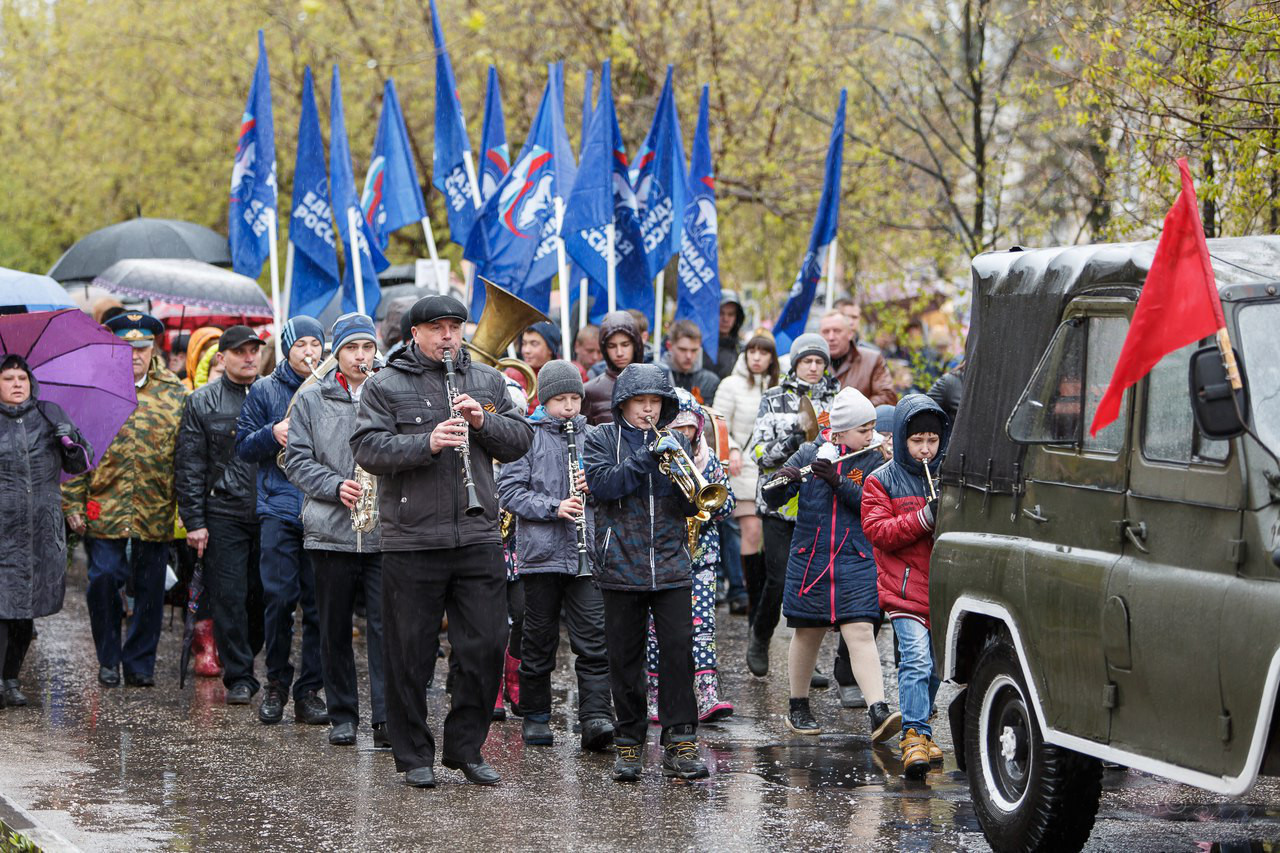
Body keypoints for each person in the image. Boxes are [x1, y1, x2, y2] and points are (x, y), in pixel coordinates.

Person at [351, 294, 533, 789]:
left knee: (487, 645)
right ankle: (413, 756)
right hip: (412, 539)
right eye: (437, 328)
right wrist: (425, 443)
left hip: (476, 534)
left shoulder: (487, 381)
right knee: (409, 654)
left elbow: (521, 441)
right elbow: (368, 448)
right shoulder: (385, 385)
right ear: (415, 333)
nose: (448, 335)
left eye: (454, 326)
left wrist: (483, 421)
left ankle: (465, 748)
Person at [582, 364, 709, 783]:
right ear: (623, 404)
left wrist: (687, 479)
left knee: (678, 651)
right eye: (641, 402)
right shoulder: (602, 438)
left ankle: (680, 738)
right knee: (625, 658)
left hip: (671, 563)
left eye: (656, 402)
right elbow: (604, 486)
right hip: (620, 562)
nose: (648, 410)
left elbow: (694, 506)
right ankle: (630, 741)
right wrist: (646, 457)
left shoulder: (678, 442)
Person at [764, 388, 901, 743]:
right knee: (807, 632)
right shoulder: (811, 452)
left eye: (872, 428)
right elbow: (772, 495)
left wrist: (838, 482)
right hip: (811, 560)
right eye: (863, 430)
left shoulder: (874, 461)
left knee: (860, 632)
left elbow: (871, 508)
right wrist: (785, 481)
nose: (870, 436)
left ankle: (878, 710)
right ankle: (798, 705)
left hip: (855, 560)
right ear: (839, 432)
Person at [495, 360, 613, 751]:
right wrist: (553, 506)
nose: (568, 407)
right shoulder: (525, 436)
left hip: (586, 557)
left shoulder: (595, 437)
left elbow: (612, 490)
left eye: (574, 399)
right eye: (560, 400)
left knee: (594, 638)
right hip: (541, 554)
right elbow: (509, 490)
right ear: (544, 400)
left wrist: (594, 486)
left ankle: (596, 716)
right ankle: (536, 715)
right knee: (538, 637)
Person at [283, 313, 389, 748]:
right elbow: (295, 459)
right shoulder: (310, 398)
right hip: (330, 530)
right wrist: (333, 485)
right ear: (336, 354)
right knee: (333, 627)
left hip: (384, 532)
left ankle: (385, 717)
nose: (360, 356)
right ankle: (343, 715)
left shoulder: (389, 393)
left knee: (387, 629)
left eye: (367, 348)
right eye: (351, 349)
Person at [64, 312, 185, 688]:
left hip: (155, 506)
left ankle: (139, 663)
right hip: (105, 504)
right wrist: (72, 504)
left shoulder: (175, 392)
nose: (135, 355)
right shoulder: (93, 390)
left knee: (151, 588)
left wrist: (189, 511)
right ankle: (108, 657)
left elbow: (188, 454)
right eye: (126, 348)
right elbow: (74, 454)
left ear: (154, 350)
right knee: (103, 579)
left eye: (143, 348)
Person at [235, 317, 328, 727]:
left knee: (320, 607)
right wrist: (273, 432)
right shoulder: (264, 390)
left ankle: (310, 691)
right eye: (301, 344)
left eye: (316, 344)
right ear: (287, 348)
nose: (310, 351)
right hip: (278, 508)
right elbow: (243, 447)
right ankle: (275, 683)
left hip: (323, 510)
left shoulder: (332, 386)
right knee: (277, 602)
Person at [175, 326, 265, 703]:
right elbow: (189, 465)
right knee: (229, 596)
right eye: (240, 351)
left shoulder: (274, 395)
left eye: (253, 351)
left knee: (262, 597)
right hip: (223, 511)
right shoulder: (202, 402)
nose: (248, 358)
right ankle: (240, 676)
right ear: (222, 357)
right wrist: (194, 521)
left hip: (269, 511)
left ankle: (249, 654)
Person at [862, 394, 950, 778]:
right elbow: (878, 532)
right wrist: (924, 518)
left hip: (942, 590)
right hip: (903, 589)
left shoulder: (949, 477)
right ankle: (913, 734)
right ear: (901, 439)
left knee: (933, 670)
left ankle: (924, 730)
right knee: (914, 659)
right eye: (917, 441)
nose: (926, 449)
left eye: (932, 440)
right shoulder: (880, 480)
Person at [746, 333, 839, 678]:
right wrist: (797, 436)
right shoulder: (772, 399)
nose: (813, 368)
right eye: (807, 361)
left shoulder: (836, 397)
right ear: (796, 363)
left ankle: (807, 658)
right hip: (778, 506)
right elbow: (760, 454)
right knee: (779, 577)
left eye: (819, 362)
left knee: (812, 582)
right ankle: (760, 634)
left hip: (817, 506)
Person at [0, 355, 91, 708]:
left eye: (22, 377)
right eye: (8, 379)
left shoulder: (50, 414)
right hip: (4, 528)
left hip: (39, 528)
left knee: (26, 608)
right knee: (3, 606)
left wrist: (71, 438)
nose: (17, 384)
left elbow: (81, 463)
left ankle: (11, 679)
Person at [646, 388, 735, 723]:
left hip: (703, 558)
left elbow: (727, 504)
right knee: (656, 630)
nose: (684, 435)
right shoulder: (659, 458)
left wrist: (709, 505)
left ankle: (707, 692)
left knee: (703, 626)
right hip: (666, 555)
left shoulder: (708, 460)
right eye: (677, 429)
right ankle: (654, 695)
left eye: (689, 429)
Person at [711, 329, 779, 615]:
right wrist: (734, 449)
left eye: (763, 352)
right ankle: (753, 598)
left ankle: (766, 595)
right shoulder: (731, 384)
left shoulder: (779, 387)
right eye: (752, 351)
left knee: (768, 535)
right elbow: (717, 423)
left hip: (774, 469)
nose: (757, 357)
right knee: (750, 531)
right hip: (743, 468)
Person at [819, 310, 896, 406]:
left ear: (850, 334)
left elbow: (888, 397)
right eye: (826, 332)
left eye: (837, 331)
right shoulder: (810, 362)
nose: (831, 337)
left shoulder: (872, 359)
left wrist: (855, 411)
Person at [583, 311, 642, 425]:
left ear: (636, 344)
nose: (619, 353)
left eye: (625, 345)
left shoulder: (653, 383)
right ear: (604, 348)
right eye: (612, 346)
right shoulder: (591, 391)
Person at [665, 320, 720, 404]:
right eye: (682, 349)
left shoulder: (710, 381)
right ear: (669, 346)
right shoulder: (656, 377)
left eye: (694, 350)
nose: (688, 356)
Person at [714, 291, 745, 379]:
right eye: (721, 313)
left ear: (737, 318)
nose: (725, 319)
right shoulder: (698, 348)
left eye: (730, 314)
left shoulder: (743, 350)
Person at [183, 327, 223, 391]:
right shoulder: (182, 389)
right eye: (207, 348)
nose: (212, 352)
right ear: (195, 352)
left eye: (217, 348)